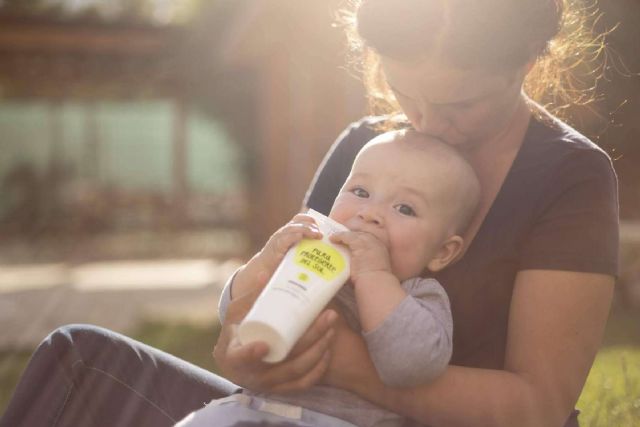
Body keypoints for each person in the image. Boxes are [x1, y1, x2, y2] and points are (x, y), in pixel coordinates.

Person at [1, 1, 618, 426]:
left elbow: (537, 407)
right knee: (78, 358)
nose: (428, 122)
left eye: (462, 103)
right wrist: (246, 346)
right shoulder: (364, 148)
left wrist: (347, 371)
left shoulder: (569, 176)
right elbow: (255, 322)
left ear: (532, 58)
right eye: (407, 92)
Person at [175, 130, 481, 427]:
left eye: (405, 208)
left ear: (442, 252)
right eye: (360, 192)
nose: (369, 213)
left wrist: (375, 275)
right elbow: (231, 310)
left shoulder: (418, 296)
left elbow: (409, 367)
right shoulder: (309, 258)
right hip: (247, 412)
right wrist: (267, 259)